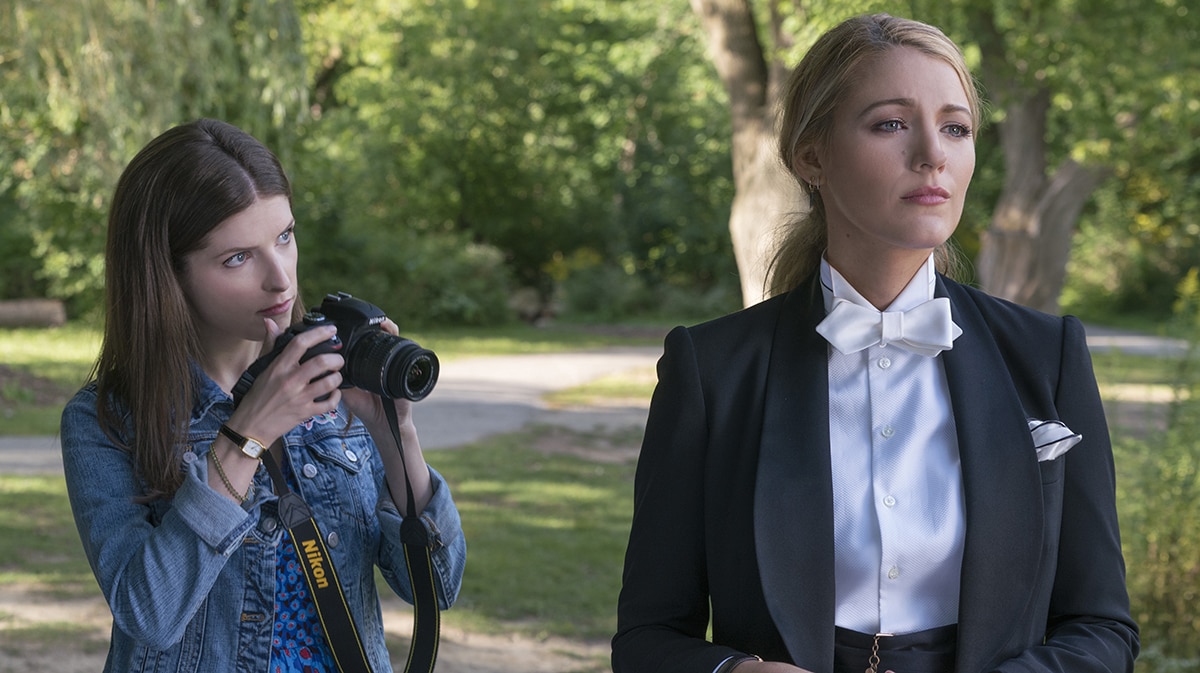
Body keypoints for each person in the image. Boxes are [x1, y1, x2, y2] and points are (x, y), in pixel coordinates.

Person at [612, 13, 1137, 673]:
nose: (933, 155)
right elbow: (646, 639)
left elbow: (1102, 627)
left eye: (956, 127)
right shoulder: (712, 370)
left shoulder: (1047, 355)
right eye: (891, 123)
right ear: (811, 155)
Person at [60, 118, 466, 672]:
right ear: (167, 276)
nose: (281, 279)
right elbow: (150, 614)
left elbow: (436, 588)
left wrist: (396, 431)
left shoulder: (335, 386)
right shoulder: (107, 420)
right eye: (237, 257)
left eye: (284, 237)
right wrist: (248, 434)